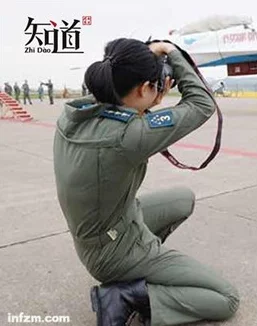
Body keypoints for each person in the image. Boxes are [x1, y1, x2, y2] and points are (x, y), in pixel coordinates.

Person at [52, 38, 239, 326]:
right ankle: (127, 295)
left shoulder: (73, 114)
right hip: (114, 253)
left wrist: (145, 76)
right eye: (155, 85)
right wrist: (172, 53)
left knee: (182, 198)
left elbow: (116, 93)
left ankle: (143, 270)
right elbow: (201, 104)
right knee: (226, 298)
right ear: (142, 89)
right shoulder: (128, 136)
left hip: (107, 230)